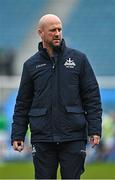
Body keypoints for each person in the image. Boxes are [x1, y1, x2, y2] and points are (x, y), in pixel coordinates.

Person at [11, 14, 102, 179]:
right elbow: (23, 103)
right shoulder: (30, 65)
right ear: (41, 33)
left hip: (73, 136)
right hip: (42, 137)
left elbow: (92, 97)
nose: (58, 33)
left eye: (60, 29)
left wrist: (95, 129)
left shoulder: (79, 60)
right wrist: (18, 134)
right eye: (53, 30)